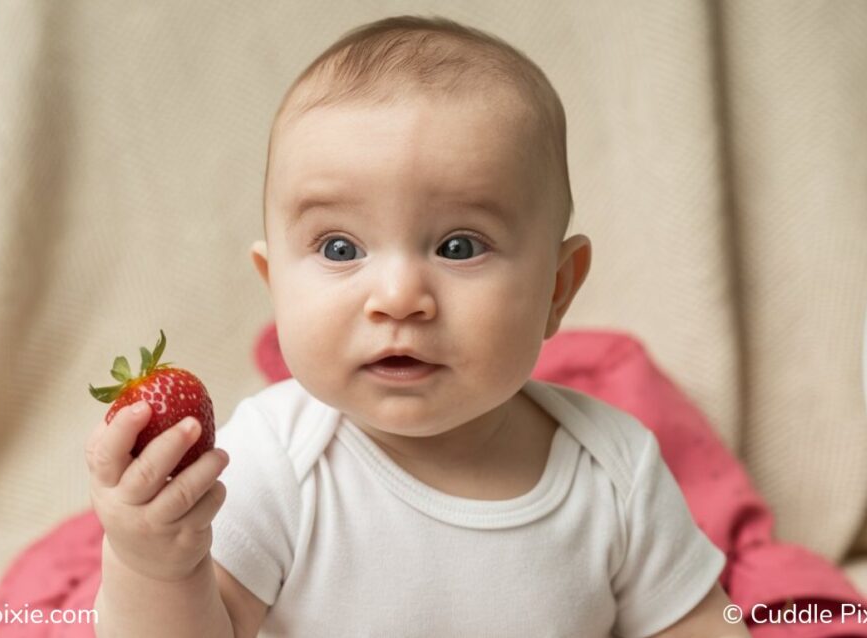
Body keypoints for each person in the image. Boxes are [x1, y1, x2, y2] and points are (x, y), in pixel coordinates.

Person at [86, 15, 750, 637]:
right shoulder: (275, 461)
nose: (399, 298)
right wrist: (155, 565)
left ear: (556, 288)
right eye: (341, 249)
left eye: (459, 247)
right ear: (275, 288)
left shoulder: (614, 469)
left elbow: (696, 623)